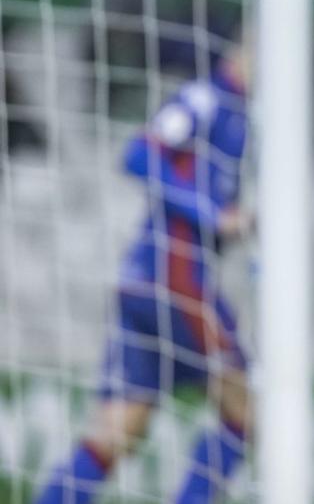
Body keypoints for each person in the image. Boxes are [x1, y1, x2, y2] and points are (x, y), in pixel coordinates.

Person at [37, 41, 251, 504]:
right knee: (246, 407)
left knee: (118, 429)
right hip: (174, 276)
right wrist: (215, 214)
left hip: (145, 279)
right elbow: (138, 154)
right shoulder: (206, 99)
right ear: (245, 48)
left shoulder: (245, 116)